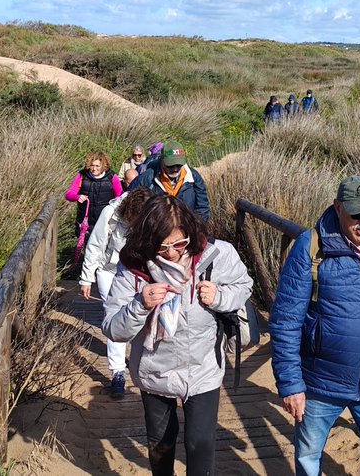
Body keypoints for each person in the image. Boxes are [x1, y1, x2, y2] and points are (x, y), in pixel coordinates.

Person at [269, 175, 360, 476]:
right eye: (358, 214)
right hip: (321, 383)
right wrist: (291, 384)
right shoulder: (311, 247)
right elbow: (285, 321)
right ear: (338, 207)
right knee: (309, 457)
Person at [103, 195, 254, 476]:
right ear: (147, 240)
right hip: (154, 371)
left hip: (203, 368)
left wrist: (219, 296)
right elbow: (113, 328)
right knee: (161, 444)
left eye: (180, 244)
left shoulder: (217, 254)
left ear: (191, 232)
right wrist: (140, 305)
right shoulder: (133, 267)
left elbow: (244, 285)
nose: (172, 253)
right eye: (162, 247)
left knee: (200, 444)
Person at [79, 188, 157, 398]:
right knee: (115, 318)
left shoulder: (153, 214)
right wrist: (87, 278)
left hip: (139, 272)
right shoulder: (111, 213)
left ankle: (144, 364)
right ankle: (117, 373)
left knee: (142, 316)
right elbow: (95, 245)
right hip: (110, 271)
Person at [128, 142, 211, 223]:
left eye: (178, 165)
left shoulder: (193, 177)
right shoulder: (148, 178)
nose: (175, 169)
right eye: (170, 165)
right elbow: (128, 200)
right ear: (162, 161)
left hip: (188, 231)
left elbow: (203, 207)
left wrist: (196, 228)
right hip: (158, 232)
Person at [64, 151, 124, 260]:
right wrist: (78, 197)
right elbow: (69, 194)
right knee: (88, 251)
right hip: (85, 222)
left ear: (103, 166)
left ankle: (99, 273)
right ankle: (86, 273)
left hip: (105, 221)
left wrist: (115, 202)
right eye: (92, 165)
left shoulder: (112, 177)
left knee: (103, 251)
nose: (94, 168)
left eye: (97, 166)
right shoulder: (82, 176)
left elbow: (120, 195)